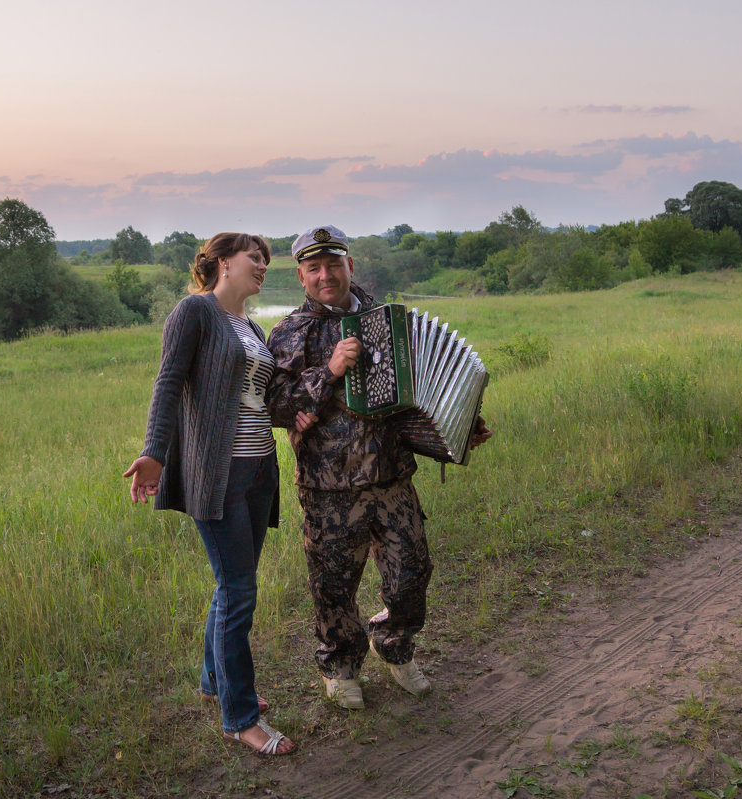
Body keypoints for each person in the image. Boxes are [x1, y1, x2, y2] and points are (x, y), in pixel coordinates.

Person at [266, 225, 490, 710]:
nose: (326, 275)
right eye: (314, 268)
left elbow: (416, 394)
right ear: (301, 277)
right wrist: (328, 371)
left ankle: (393, 645)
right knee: (332, 587)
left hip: (392, 478)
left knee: (412, 575)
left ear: (351, 266)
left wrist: (458, 428)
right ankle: (341, 666)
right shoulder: (289, 332)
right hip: (328, 487)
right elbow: (275, 405)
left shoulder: (387, 322)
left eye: (334, 264)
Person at [123, 232, 295, 755]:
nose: (264, 265)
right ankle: (239, 718)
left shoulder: (251, 326)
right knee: (239, 592)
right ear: (222, 262)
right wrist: (155, 450)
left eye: (267, 259)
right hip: (215, 474)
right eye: (255, 257)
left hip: (259, 470)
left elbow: (263, 400)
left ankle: (213, 680)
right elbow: (169, 381)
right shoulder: (194, 312)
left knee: (232, 586)